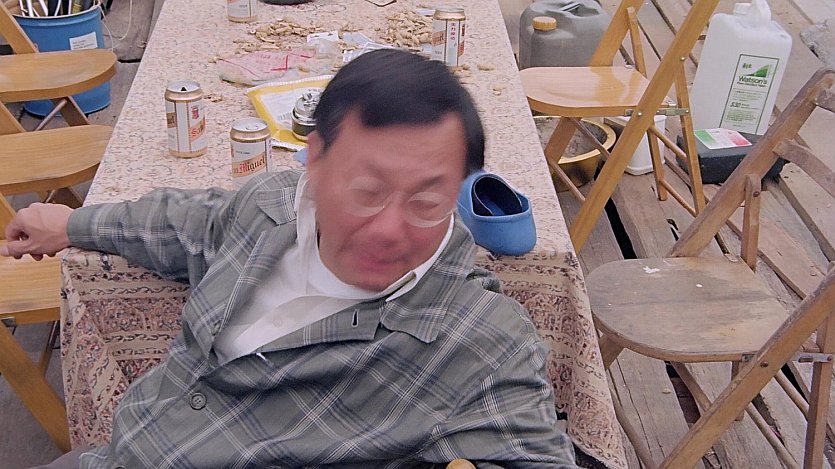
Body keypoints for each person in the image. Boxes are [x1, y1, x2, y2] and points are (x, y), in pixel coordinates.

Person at [3, 49, 578, 468]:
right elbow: (186, 221)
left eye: (427, 203)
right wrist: (71, 223)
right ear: (315, 159)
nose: (389, 231)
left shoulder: (480, 341)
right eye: (366, 191)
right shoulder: (270, 207)